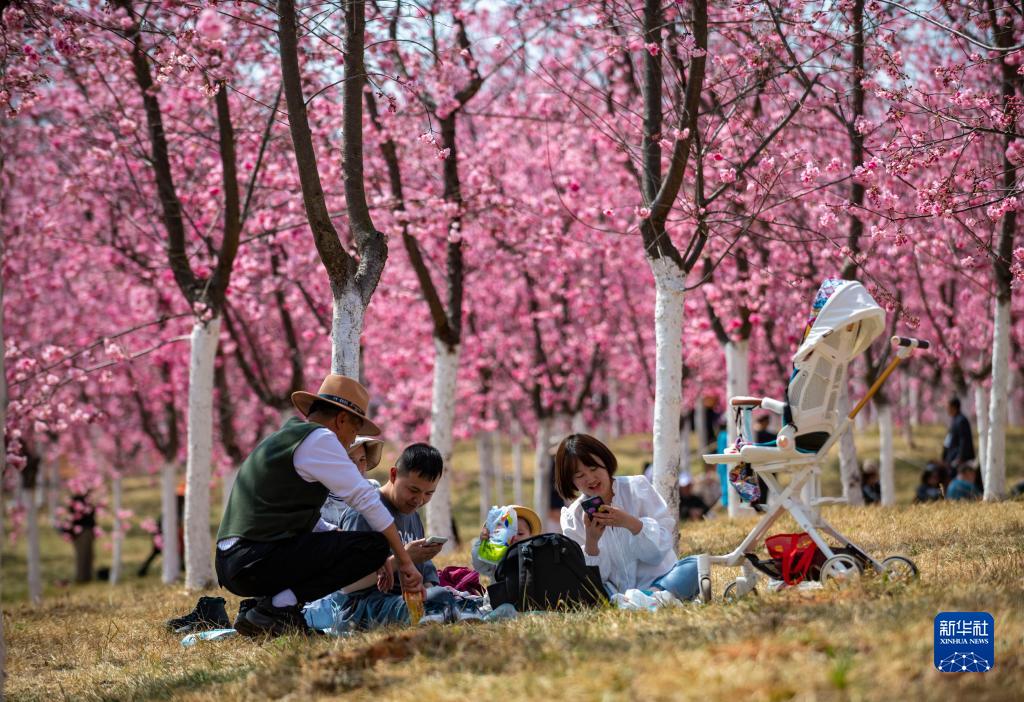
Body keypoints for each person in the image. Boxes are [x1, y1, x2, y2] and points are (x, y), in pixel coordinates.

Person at [215, 374, 424, 637]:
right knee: (373, 546)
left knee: (349, 544)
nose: (351, 442)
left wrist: (337, 537)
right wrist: (404, 561)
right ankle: (275, 608)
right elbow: (365, 498)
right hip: (254, 559)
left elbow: (299, 516)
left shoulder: (286, 438)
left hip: (234, 561)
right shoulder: (321, 439)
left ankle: (263, 609)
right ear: (341, 420)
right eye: (354, 432)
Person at [556, 434, 699, 602]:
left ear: (605, 463)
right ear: (571, 481)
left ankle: (648, 598)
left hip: (659, 582)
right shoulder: (573, 518)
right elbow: (590, 581)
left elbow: (659, 552)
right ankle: (655, 601)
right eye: (580, 476)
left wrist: (630, 523)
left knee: (695, 566)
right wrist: (592, 542)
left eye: (594, 468)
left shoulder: (637, 488)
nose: (590, 478)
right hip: (614, 594)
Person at [332, 443, 448, 629]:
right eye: (413, 490)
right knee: (430, 606)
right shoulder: (363, 512)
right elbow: (347, 585)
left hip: (402, 600)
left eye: (429, 493)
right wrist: (403, 559)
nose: (419, 501)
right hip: (361, 609)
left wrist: (425, 585)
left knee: (443, 597)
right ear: (393, 475)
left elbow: (424, 575)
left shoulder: (412, 515)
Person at [317, 435, 385, 530]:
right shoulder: (319, 499)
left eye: (362, 459)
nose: (358, 467)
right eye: (350, 460)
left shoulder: (373, 488)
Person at [470, 504, 543, 579]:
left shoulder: (534, 555)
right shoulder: (497, 557)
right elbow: (479, 565)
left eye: (520, 533)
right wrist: (482, 544)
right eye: (507, 534)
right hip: (501, 590)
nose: (514, 538)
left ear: (531, 536)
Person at [942, 397, 975, 469]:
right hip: (953, 456)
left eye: (948, 407)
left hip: (960, 459)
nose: (947, 409)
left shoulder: (961, 420)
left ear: (954, 407)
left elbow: (964, 440)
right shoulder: (955, 419)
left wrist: (960, 457)